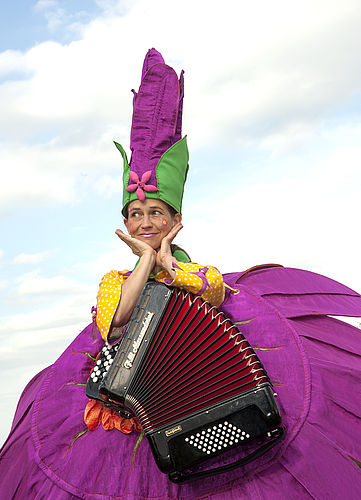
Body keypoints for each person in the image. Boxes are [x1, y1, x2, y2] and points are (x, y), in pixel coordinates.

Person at [1, 48, 361, 500]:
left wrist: (168, 262)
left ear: (174, 221)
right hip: (135, 417)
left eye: (156, 212)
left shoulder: (193, 271)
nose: (145, 221)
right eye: (135, 214)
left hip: (207, 399)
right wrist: (144, 262)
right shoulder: (115, 281)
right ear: (125, 224)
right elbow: (114, 319)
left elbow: (211, 291)